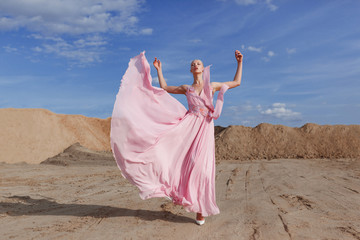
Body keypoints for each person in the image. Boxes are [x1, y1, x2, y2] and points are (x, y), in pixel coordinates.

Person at [110, 50, 243, 226]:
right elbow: (165, 88)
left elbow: (237, 82)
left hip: (205, 128)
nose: (195, 65)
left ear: (203, 69)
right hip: (188, 127)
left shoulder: (212, 86)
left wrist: (239, 62)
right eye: (193, 64)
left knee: (202, 169)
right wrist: (159, 69)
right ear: (191, 70)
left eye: (198, 63)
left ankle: (200, 210)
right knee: (176, 157)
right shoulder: (186, 88)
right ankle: (173, 189)